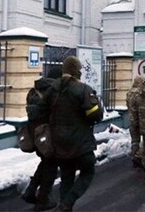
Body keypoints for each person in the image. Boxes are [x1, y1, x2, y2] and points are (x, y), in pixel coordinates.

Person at [40, 56, 104, 211]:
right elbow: (95, 115)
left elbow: (41, 112)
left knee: (67, 175)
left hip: (59, 142)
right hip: (80, 142)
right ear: (76, 71)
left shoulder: (52, 89)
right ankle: (67, 202)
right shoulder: (83, 89)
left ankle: (65, 205)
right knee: (88, 171)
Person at [22, 67, 63, 211]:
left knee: (46, 162)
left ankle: (31, 190)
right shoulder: (53, 92)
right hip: (48, 134)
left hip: (35, 134)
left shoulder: (34, 91)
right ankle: (43, 200)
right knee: (51, 165)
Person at [126, 75, 145, 167]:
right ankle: (140, 157)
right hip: (141, 119)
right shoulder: (140, 92)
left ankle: (134, 157)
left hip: (132, 119)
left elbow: (127, 105)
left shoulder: (129, 92)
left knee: (134, 141)